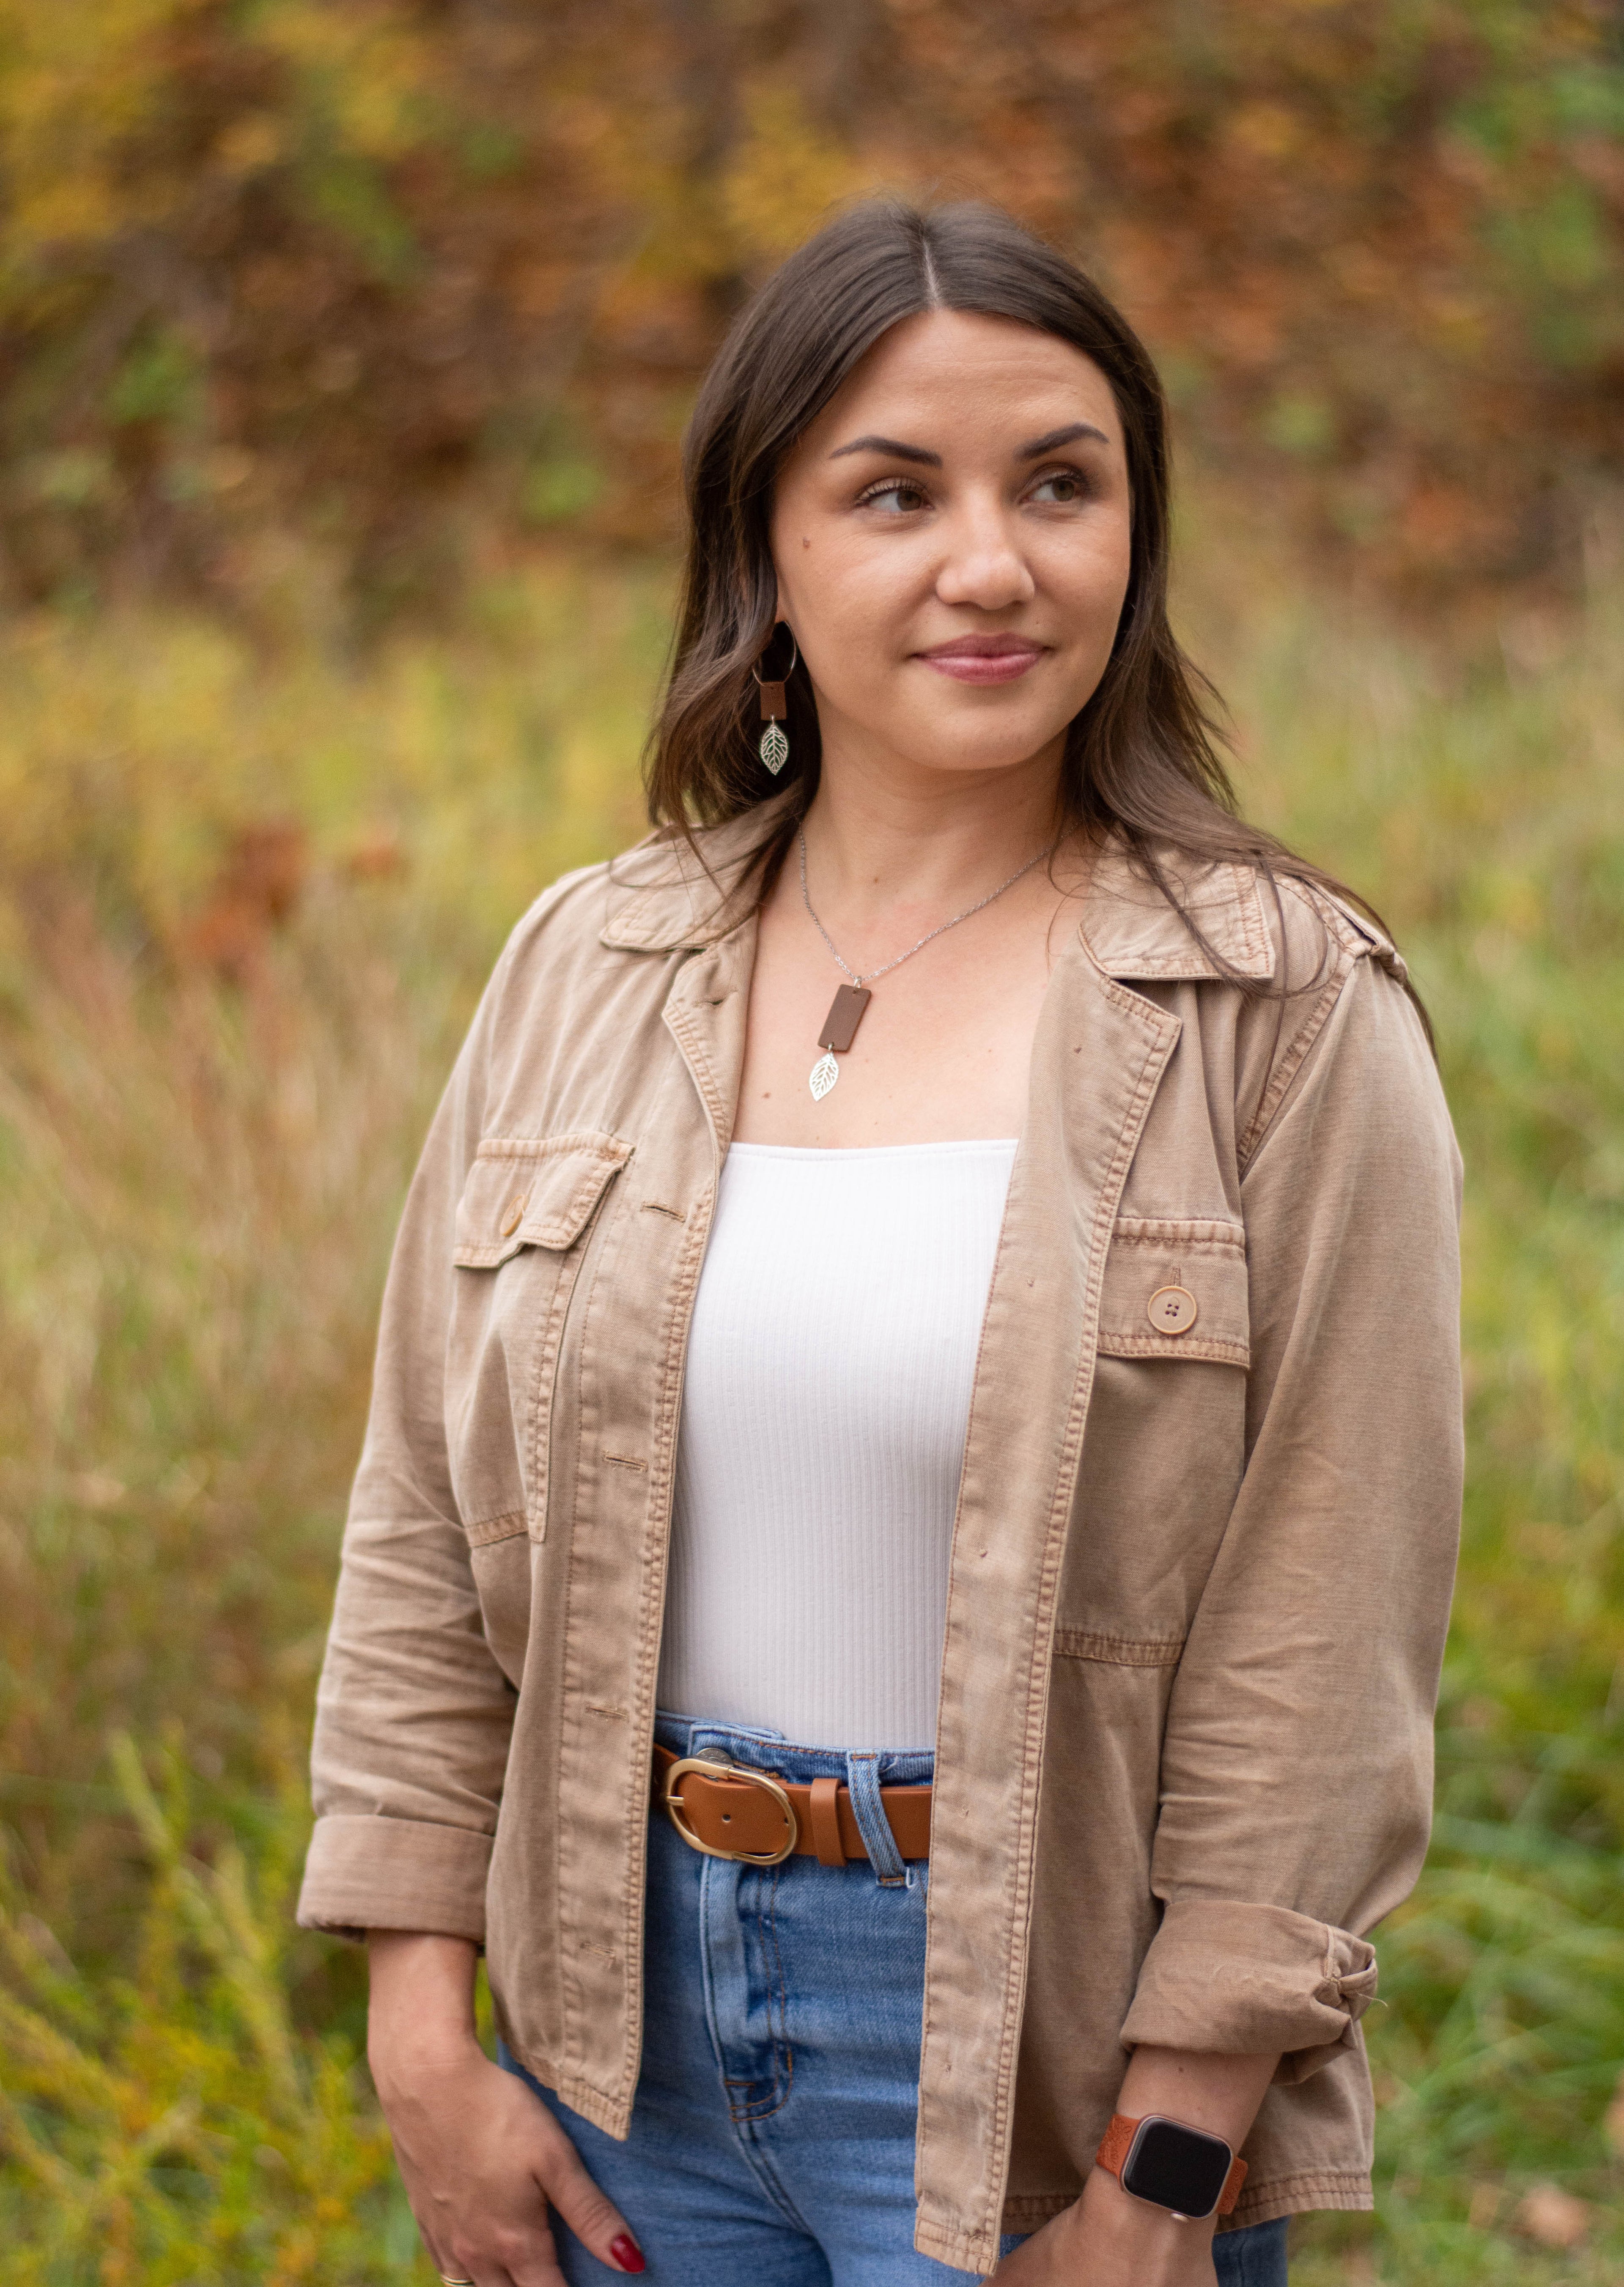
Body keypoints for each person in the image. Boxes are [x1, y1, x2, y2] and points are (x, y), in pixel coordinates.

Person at [297, 200, 1463, 2287]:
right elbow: (419, 1519)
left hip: (1042, 2069)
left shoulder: (1280, 1007)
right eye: (897, 493)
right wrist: (419, 2030)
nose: (992, 564)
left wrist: (1163, 2174)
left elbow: (1323, 1637)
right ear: (765, 549)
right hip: (614, 2035)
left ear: (1135, 537)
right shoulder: (587, 962)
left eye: (1060, 485)